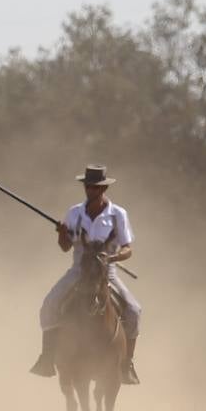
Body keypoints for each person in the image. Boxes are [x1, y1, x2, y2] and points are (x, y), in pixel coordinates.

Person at [29, 164, 141, 384]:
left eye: (96, 187)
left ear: (103, 189)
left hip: (107, 272)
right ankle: (47, 357)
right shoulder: (74, 213)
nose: (91, 190)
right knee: (50, 304)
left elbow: (128, 248)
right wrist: (62, 233)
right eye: (88, 186)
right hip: (79, 270)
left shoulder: (118, 215)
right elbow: (65, 246)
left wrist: (112, 258)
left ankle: (126, 364)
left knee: (134, 310)